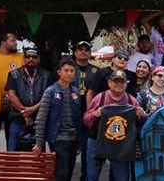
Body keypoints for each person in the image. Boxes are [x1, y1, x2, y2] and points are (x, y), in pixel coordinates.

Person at [83, 69, 146, 181]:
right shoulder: (100, 98)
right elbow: (86, 120)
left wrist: (142, 115)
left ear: (126, 84)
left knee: (122, 177)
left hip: (121, 144)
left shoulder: (131, 101)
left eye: (122, 82)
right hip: (97, 140)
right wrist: (95, 114)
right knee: (92, 175)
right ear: (109, 83)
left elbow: (142, 122)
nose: (119, 84)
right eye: (116, 81)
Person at [34, 59, 83, 181]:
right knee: (62, 172)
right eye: (66, 70)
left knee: (70, 170)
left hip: (73, 138)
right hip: (58, 137)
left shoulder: (76, 92)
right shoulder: (50, 91)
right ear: (59, 72)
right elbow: (41, 117)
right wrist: (39, 143)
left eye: (72, 71)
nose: (69, 73)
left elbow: (78, 117)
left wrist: (79, 141)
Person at [6, 47, 50, 151]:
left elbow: (47, 97)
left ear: (38, 59)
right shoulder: (14, 74)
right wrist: (24, 112)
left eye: (34, 57)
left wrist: (33, 109)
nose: (31, 59)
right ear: (23, 59)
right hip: (18, 116)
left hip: (39, 118)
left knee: (38, 151)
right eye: (28, 56)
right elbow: (11, 95)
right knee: (13, 150)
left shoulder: (46, 75)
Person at [71, 41, 99, 181]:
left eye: (86, 50)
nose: (83, 52)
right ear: (75, 52)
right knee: (68, 152)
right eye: (80, 49)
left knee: (87, 152)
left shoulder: (95, 71)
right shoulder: (68, 69)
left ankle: (86, 178)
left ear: (90, 53)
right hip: (70, 116)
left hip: (88, 116)